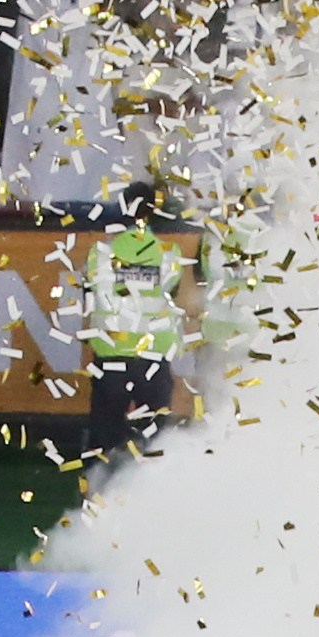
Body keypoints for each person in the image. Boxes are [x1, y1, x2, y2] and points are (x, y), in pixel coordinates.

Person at [73, 183, 196, 466]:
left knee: (103, 439)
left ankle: (98, 487)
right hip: (152, 356)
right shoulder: (170, 254)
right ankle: (147, 489)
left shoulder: (100, 253)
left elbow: (89, 298)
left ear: (122, 208)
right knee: (154, 441)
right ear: (154, 210)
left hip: (111, 357)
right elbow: (174, 293)